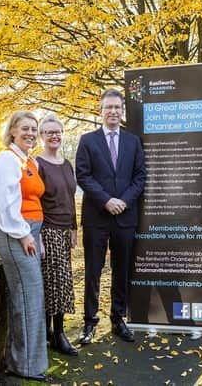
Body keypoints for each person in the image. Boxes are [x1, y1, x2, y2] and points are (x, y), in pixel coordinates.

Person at [75, 89, 146, 344]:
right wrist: (106, 200)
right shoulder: (87, 141)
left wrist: (123, 201)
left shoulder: (133, 141)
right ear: (100, 111)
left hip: (125, 218)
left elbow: (140, 177)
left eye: (117, 107)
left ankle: (118, 319)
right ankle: (89, 323)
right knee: (93, 270)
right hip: (96, 216)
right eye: (108, 107)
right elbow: (83, 176)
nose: (113, 111)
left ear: (122, 111)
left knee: (122, 270)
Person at [0, 111, 48, 381]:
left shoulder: (29, 161)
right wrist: (24, 235)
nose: (31, 133)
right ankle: (25, 366)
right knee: (28, 296)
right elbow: (7, 205)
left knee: (31, 296)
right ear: (12, 130)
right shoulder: (6, 160)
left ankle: (21, 361)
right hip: (14, 232)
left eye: (34, 129)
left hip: (29, 231)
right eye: (25, 128)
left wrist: (35, 236)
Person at [36, 114, 79, 356]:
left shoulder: (66, 164)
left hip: (64, 231)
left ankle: (51, 332)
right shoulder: (38, 164)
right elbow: (35, 201)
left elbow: (70, 199)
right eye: (49, 132)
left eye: (57, 132)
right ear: (42, 136)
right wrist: (38, 234)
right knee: (55, 283)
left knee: (60, 282)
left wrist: (74, 228)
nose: (54, 135)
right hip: (47, 230)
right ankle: (57, 335)